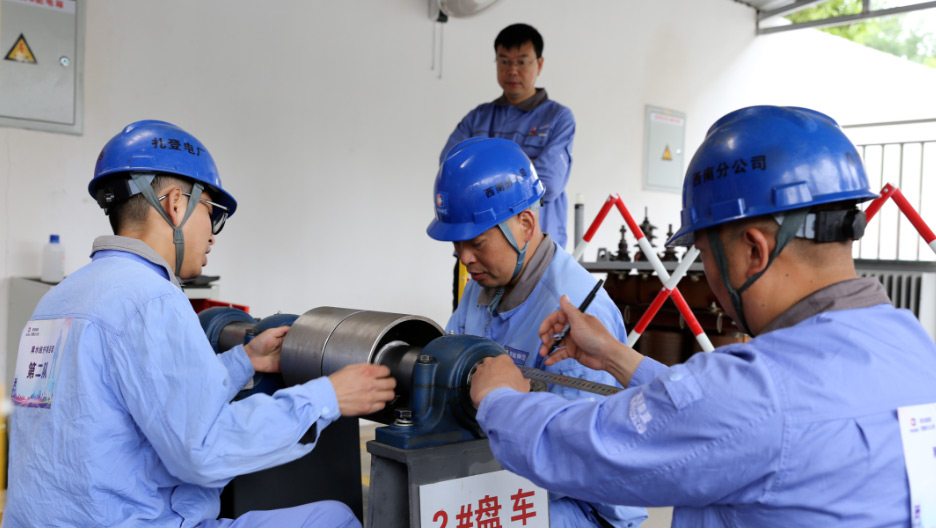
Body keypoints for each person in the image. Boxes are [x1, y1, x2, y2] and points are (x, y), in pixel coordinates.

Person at [468, 106, 936, 527]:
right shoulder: (913, 346)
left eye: (706, 256)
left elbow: (594, 450)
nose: (708, 278)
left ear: (754, 251)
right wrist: (614, 356)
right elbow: (713, 413)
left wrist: (498, 399)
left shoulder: (758, 392)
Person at [4, 120, 396, 527]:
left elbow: (140, 393)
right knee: (334, 518)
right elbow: (202, 451)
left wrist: (243, 360)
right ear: (176, 204)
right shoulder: (151, 298)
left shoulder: (58, 298)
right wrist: (327, 397)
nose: (212, 235)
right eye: (212, 213)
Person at [427, 137, 647, 528]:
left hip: (581, 504)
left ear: (525, 225)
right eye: (457, 245)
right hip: (505, 473)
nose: (465, 258)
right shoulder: (483, 283)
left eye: (476, 243)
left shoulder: (576, 312)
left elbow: (575, 458)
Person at [440, 23, 574, 250]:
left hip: (536, 250)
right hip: (477, 249)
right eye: (504, 61)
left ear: (539, 64)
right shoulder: (478, 117)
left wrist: (482, 176)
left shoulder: (558, 118)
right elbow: (450, 173)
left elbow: (549, 183)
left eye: (521, 62)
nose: (512, 70)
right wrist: (524, 169)